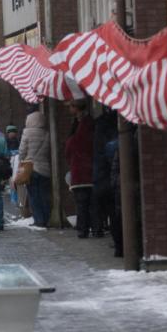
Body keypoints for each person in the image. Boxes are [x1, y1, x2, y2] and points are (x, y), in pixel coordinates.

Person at [65, 100, 96, 238]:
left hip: (80, 172)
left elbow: (70, 147)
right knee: (92, 202)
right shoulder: (90, 124)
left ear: (75, 107)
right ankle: (96, 228)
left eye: (70, 106)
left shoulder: (79, 128)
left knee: (82, 202)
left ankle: (83, 229)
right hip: (91, 170)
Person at [18, 109, 52, 228]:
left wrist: (22, 160)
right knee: (44, 195)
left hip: (30, 169)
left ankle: (39, 220)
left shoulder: (26, 133)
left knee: (33, 196)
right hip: (44, 169)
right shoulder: (47, 133)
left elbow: (22, 152)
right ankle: (47, 219)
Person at [92, 111, 118, 238]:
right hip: (108, 175)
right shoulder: (112, 138)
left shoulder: (99, 131)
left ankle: (99, 229)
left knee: (100, 204)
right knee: (113, 209)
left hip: (100, 175)